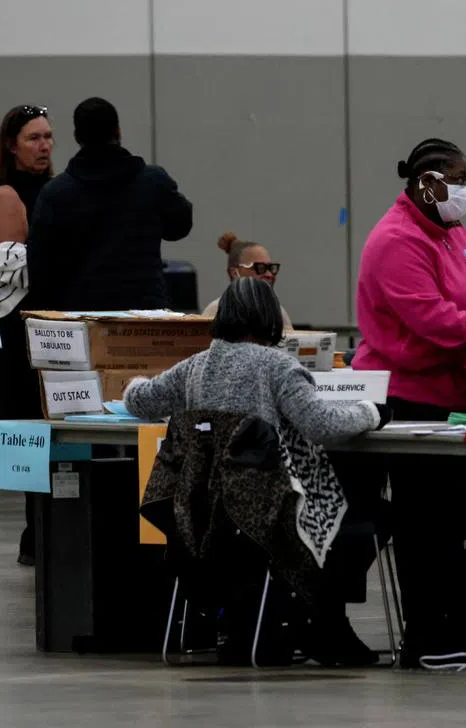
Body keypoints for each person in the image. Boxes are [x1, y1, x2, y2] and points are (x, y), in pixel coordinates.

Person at [124, 277, 390, 666]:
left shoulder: (195, 366)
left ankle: (307, 622)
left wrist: (131, 382)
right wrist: (371, 412)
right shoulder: (279, 367)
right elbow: (322, 425)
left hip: (202, 517)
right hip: (264, 516)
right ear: (270, 319)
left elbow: (141, 401)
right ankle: (322, 622)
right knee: (371, 516)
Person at [352, 137, 466, 668]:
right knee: (426, 524)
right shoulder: (396, 240)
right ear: (428, 184)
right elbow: (430, 317)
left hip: (461, 394)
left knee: (463, 518)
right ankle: (429, 636)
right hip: (414, 398)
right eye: (459, 180)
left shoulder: (450, 230)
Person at [27, 97, 193, 311]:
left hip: (82, 317)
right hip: (145, 314)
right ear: (118, 131)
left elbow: (39, 268)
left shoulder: (55, 194)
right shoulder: (152, 181)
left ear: (77, 136)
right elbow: (180, 226)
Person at [0, 104, 55, 567]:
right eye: (33, 138)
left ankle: (55, 524)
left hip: (55, 321)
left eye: (48, 136)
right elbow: (16, 272)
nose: (44, 145)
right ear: (12, 145)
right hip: (23, 324)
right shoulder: (7, 194)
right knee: (29, 426)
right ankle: (34, 531)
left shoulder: (56, 190)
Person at [203, 233, 293, 329]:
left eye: (271, 268)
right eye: (260, 268)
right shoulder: (217, 310)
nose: (269, 274)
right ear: (235, 273)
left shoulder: (277, 312)